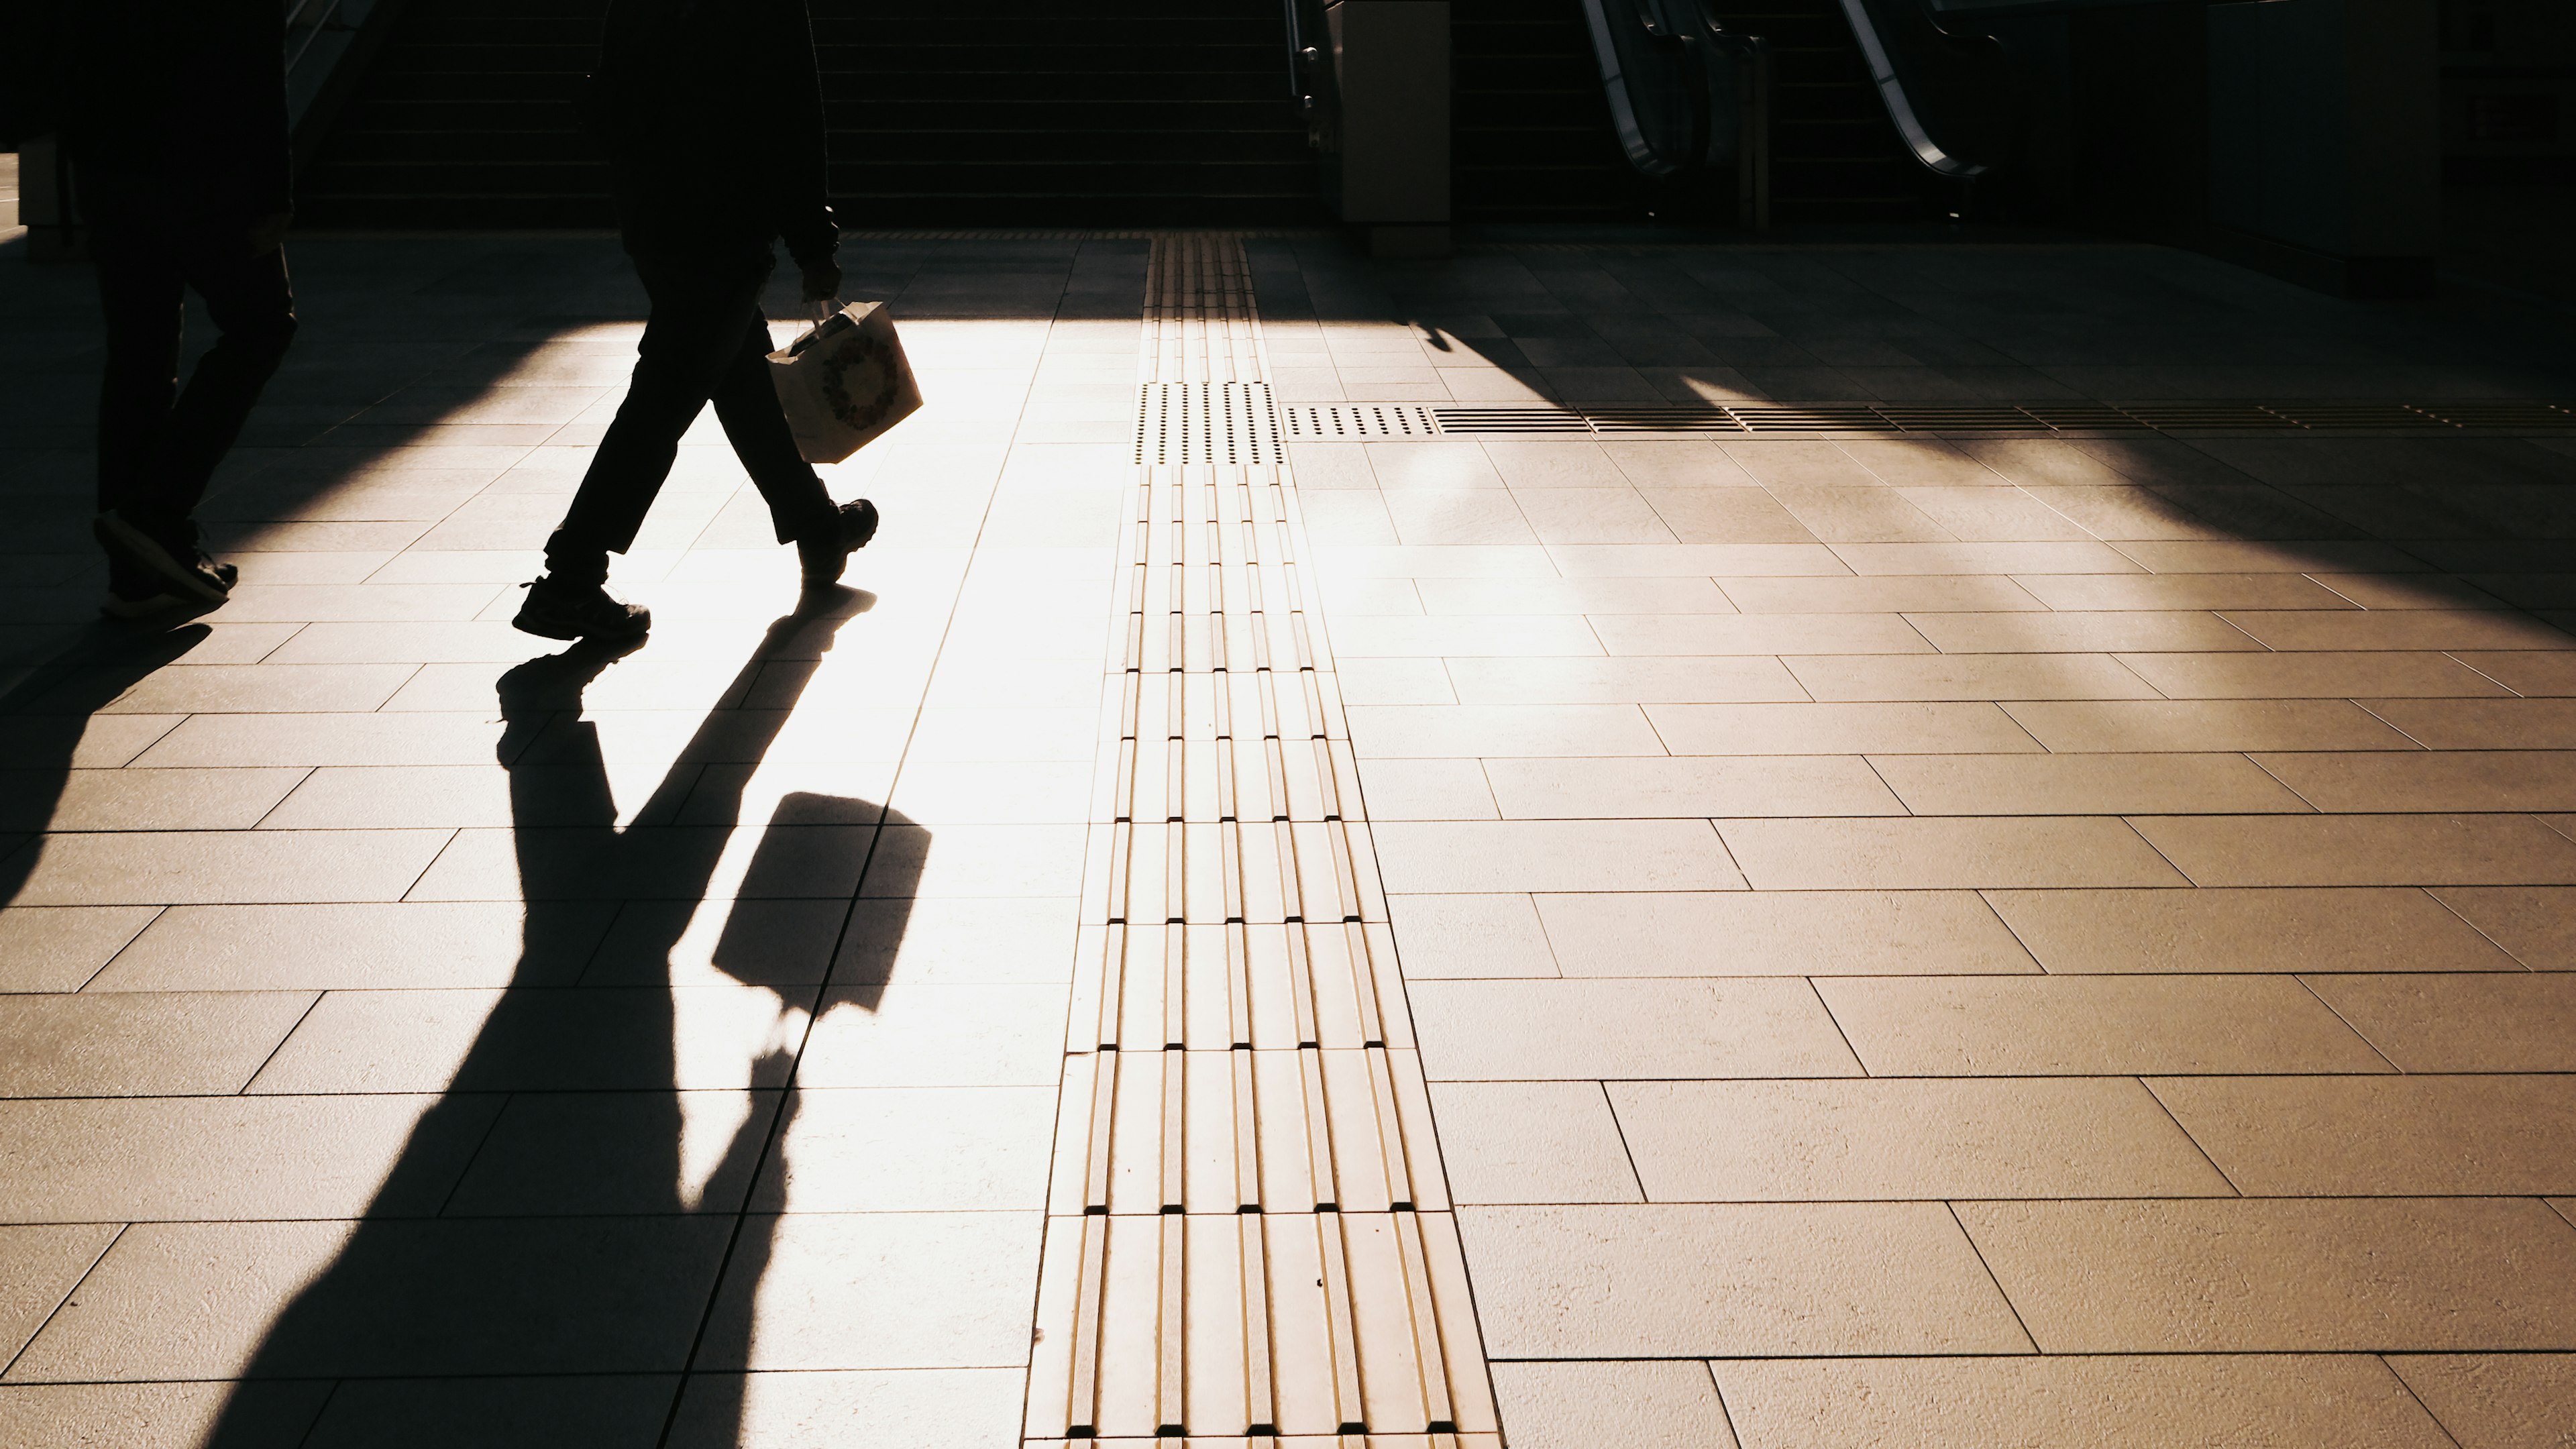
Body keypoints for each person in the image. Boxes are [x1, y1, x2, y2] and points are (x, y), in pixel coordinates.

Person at [515, 0, 878, 643]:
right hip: (726, 223)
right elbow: (791, 114)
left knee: (743, 381)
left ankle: (817, 526)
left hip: (654, 216)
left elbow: (614, 89)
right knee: (664, 398)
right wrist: (814, 246)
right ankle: (570, 579)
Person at [13, 1, 299, 615]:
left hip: (107, 162)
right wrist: (273, 188)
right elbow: (254, 54)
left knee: (139, 354)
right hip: (205, 163)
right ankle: (156, 513)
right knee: (261, 327)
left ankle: (135, 574)